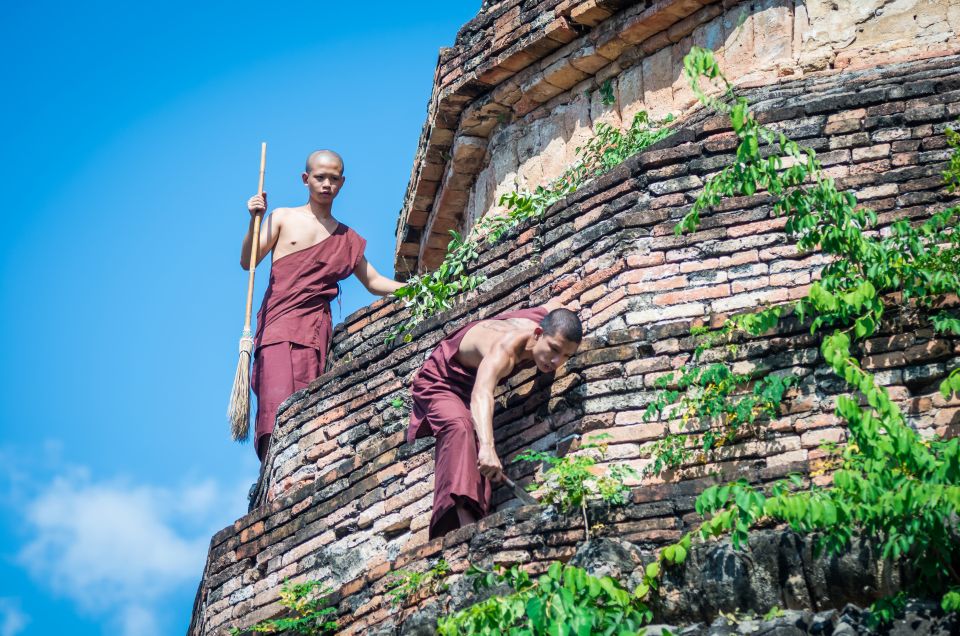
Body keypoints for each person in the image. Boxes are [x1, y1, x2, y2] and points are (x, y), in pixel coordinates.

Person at [242, 150, 403, 460]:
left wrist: (419, 288)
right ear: (306, 180)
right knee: (277, 404)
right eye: (320, 177)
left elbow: (374, 282)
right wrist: (253, 220)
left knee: (309, 406)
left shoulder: (346, 238)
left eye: (333, 178)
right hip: (278, 327)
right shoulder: (283, 217)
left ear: (342, 182)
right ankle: (274, 470)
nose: (326, 184)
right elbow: (247, 261)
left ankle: (305, 462)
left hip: (316, 331)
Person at [408, 303, 582, 538]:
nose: (556, 361)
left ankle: (480, 518)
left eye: (566, 356)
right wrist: (488, 448)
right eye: (553, 349)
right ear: (538, 334)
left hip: (474, 381)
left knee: (475, 441)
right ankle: (463, 531)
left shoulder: (547, 319)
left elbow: (558, 307)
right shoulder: (505, 349)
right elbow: (482, 394)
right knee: (460, 427)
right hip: (441, 382)